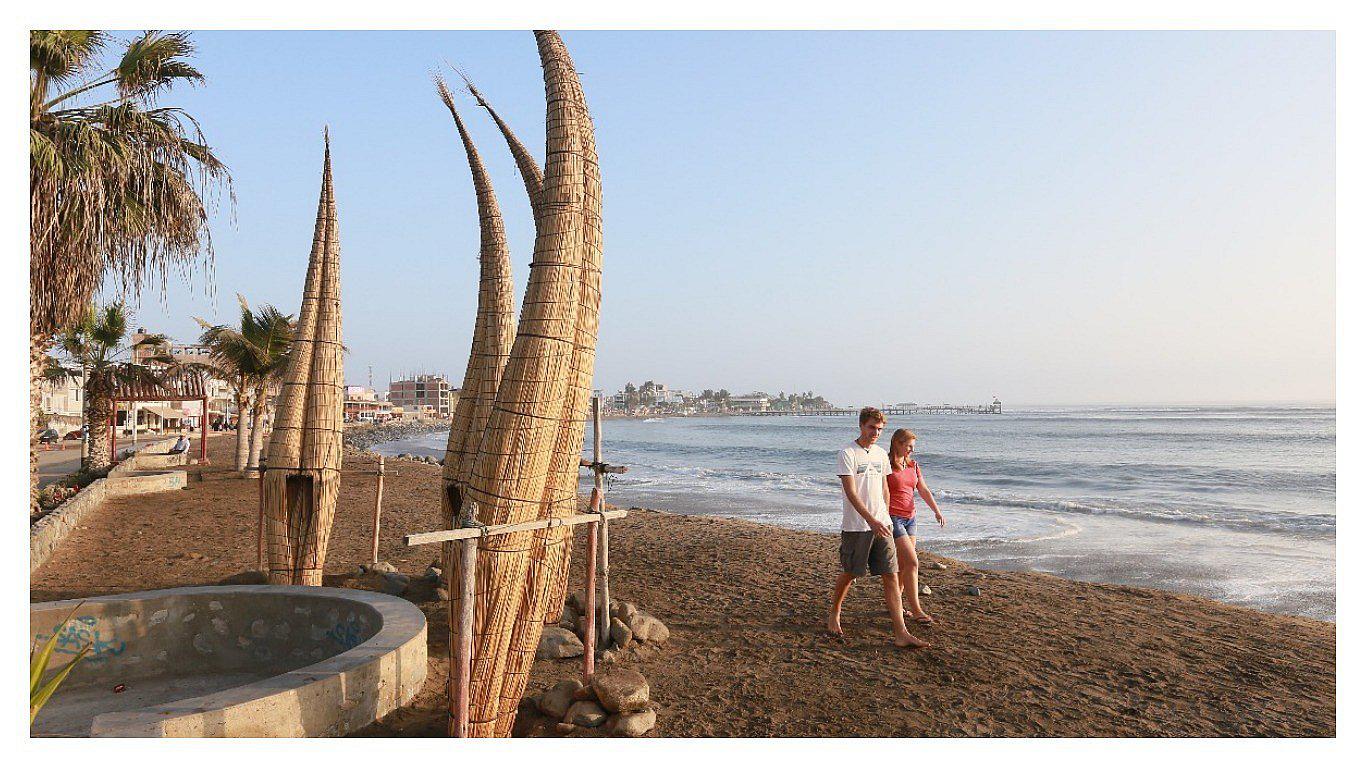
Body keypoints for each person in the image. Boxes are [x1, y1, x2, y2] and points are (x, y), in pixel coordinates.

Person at [826, 407, 930, 649]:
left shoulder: (881, 454)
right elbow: (850, 492)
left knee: (891, 575)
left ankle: (901, 633)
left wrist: (884, 516)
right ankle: (834, 612)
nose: (875, 432)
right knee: (851, 572)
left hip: (883, 524)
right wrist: (871, 519)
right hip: (857, 526)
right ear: (861, 426)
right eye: (872, 427)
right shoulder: (848, 453)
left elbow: (884, 488)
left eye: (879, 429)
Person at [886, 428, 946, 625]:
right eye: (909, 446)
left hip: (910, 519)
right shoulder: (886, 464)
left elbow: (923, 489)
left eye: (913, 446)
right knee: (912, 563)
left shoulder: (913, 465)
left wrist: (936, 511)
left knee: (904, 566)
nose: (911, 450)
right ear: (898, 443)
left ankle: (896, 605)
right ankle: (917, 610)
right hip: (893, 518)